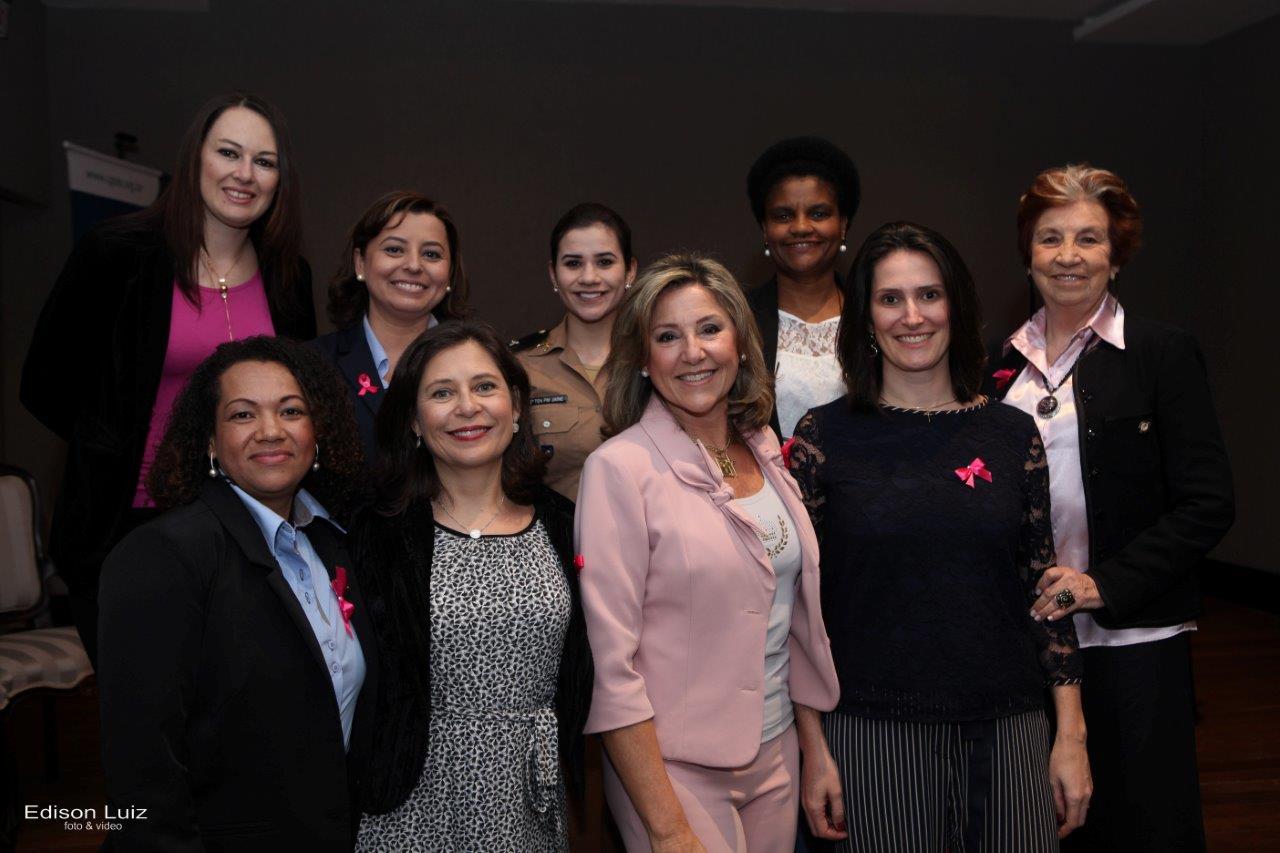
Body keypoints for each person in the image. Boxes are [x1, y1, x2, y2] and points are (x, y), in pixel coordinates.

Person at [789, 222, 1091, 852]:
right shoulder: (823, 437)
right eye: (890, 299)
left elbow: (1043, 590)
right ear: (865, 317)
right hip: (871, 727)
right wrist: (811, 746)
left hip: (1009, 722)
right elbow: (798, 608)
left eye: (929, 294)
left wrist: (1071, 734)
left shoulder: (1011, 434)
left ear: (956, 304)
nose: (912, 316)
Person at [986, 165, 1235, 852]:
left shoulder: (1161, 353)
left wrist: (1102, 584)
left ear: (1116, 254)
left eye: (1088, 238)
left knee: (1144, 824)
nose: (1067, 255)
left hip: (1133, 642)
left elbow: (1208, 502)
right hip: (1030, 646)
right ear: (1027, 253)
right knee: (1043, 823)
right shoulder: (996, 366)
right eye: (1050, 238)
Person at [21, 91, 315, 666]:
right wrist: (111, 447)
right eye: (228, 152)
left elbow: (298, 398)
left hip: (250, 528)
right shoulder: (117, 254)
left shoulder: (288, 276)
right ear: (195, 158)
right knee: (145, 710)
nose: (244, 173)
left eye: (264, 161)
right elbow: (45, 384)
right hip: (126, 525)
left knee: (236, 708)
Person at [576, 253, 840, 852]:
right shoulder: (619, 469)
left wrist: (814, 749)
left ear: (741, 344)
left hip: (777, 754)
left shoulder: (763, 445)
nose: (692, 352)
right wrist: (668, 829)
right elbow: (612, 667)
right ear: (643, 359)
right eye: (667, 337)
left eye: (710, 329)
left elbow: (790, 620)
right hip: (674, 772)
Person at [97, 336, 373, 852]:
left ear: (316, 432)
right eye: (243, 415)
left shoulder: (333, 542)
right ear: (210, 440)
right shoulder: (164, 556)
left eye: (291, 411)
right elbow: (142, 760)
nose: (271, 430)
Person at [351, 321, 592, 852]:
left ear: (516, 406)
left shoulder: (567, 523)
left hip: (531, 799)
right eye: (442, 393)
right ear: (413, 419)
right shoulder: (378, 535)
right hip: (411, 805)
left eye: (484, 386)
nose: (467, 407)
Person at [312, 191, 469, 463]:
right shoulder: (313, 363)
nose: (414, 265)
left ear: (450, 273)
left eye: (431, 254)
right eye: (394, 250)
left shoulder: (478, 362)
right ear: (360, 262)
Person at [513, 202, 638, 500]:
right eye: (573, 263)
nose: (589, 277)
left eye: (605, 262)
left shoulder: (657, 358)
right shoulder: (520, 366)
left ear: (630, 271)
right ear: (553, 274)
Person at [745, 136, 860, 440]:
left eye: (818, 213)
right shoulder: (737, 320)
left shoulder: (874, 315)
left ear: (843, 224)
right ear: (765, 230)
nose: (800, 227)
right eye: (783, 216)